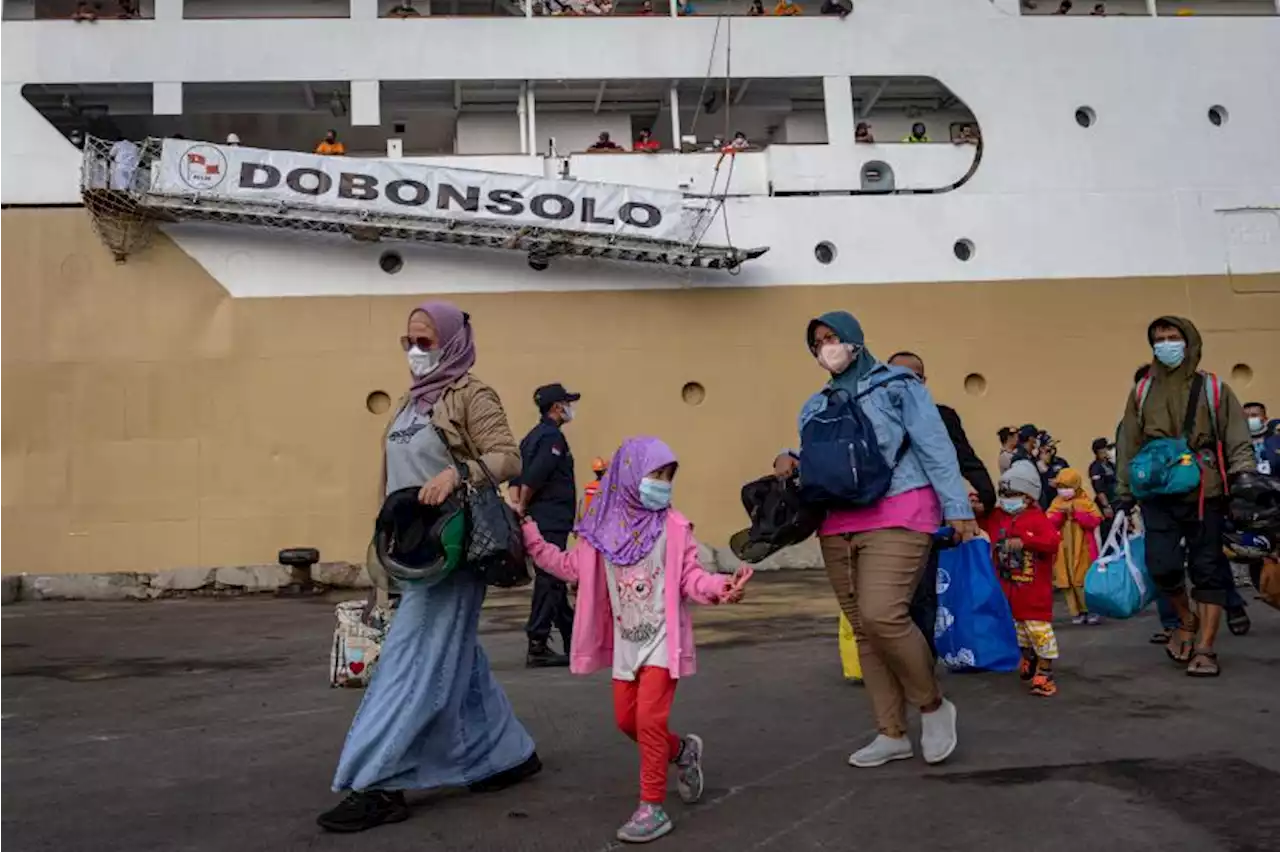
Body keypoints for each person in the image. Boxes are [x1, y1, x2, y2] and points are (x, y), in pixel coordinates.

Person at [318, 302, 539, 833]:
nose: (416, 352)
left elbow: (509, 457)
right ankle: (505, 756)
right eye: (408, 342)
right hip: (412, 548)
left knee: (411, 663)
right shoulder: (409, 403)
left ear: (452, 341)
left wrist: (458, 472)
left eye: (426, 341)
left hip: (453, 554)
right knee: (457, 660)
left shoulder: (471, 393)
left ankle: (378, 781)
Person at [514, 437, 754, 844]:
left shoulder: (674, 528)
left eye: (667, 476)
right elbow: (568, 567)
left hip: (662, 641)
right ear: (628, 477)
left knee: (649, 720)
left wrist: (720, 586)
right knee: (628, 722)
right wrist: (531, 536)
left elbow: (690, 577)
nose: (662, 484)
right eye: (654, 475)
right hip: (627, 644)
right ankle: (682, 752)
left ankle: (652, 808)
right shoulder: (599, 534)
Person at [800, 312, 975, 769]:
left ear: (855, 339)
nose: (826, 347)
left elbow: (935, 444)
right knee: (863, 628)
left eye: (832, 337)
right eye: (817, 342)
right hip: (837, 521)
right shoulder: (815, 405)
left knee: (884, 615)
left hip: (900, 507)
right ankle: (891, 732)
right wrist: (787, 456)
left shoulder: (897, 384)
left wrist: (957, 506)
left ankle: (933, 706)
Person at [1114, 316, 1256, 677]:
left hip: (1204, 491)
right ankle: (1185, 618)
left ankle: (1206, 647)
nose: (1166, 343)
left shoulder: (1214, 388)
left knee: (1208, 568)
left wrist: (1243, 482)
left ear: (1189, 341)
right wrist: (1123, 491)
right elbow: (1128, 440)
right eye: (1159, 338)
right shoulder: (1142, 391)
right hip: (1156, 491)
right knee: (1161, 565)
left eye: (1172, 336)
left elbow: (1236, 436)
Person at [887, 351, 997, 659]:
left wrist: (984, 499)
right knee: (888, 600)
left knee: (922, 597)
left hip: (926, 523)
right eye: (894, 376)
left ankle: (921, 663)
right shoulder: (873, 420)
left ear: (923, 381)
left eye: (912, 377)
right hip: (882, 525)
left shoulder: (942, 417)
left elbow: (965, 460)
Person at [512, 383, 582, 668]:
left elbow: (516, 475)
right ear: (556, 407)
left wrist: (518, 502)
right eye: (567, 403)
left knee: (555, 581)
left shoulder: (532, 437)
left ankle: (574, 636)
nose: (570, 408)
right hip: (549, 519)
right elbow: (533, 476)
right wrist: (522, 505)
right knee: (550, 580)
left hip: (544, 519)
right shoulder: (552, 438)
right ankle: (538, 642)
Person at [982, 461, 1063, 697]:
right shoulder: (998, 516)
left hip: (1034, 592)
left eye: (1012, 494)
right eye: (1003, 494)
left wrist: (1026, 541)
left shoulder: (1037, 519)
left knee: (1039, 631)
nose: (1006, 499)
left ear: (1028, 497)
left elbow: (1052, 543)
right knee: (1021, 631)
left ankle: (1045, 671)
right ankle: (1029, 658)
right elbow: (981, 521)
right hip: (1010, 592)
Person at [1047, 468, 1104, 625]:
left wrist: (1077, 514)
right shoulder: (1056, 503)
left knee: (1083, 578)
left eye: (1067, 486)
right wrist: (1061, 515)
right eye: (1060, 487)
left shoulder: (1085, 501)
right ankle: (1075, 611)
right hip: (1063, 548)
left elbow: (1095, 520)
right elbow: (1049, 521)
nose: (1063, 491)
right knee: (1067, 580)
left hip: (1083, 546)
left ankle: (1091, 610)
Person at [1244, 402, 1277, 476]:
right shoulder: (1239, 441)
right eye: (1246, 417)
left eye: (1254, 415)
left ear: (1265, 418)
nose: (1249, 419)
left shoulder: (1277, 439)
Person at [1088, 437, 1118, 519]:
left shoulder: (1111, 464)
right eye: (1107, 448)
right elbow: (1099, 489)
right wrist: (1106, 506)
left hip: (1117, 502)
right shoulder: (1096, 468)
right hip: (1108, 504)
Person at [579, 456, 610, 521]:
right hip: (599, 522)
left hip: (587, 521)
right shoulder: (606, 487)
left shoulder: (588, 487)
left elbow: (581, 508)